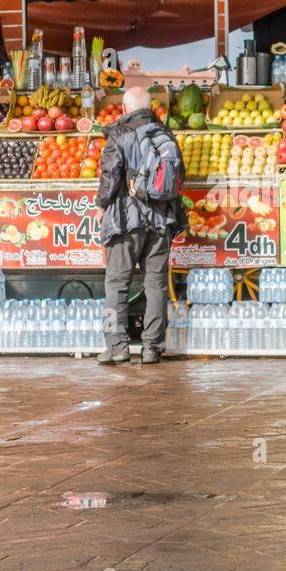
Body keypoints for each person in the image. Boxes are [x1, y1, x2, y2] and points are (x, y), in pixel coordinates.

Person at [95, 86, 187, 366]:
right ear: (151, 108)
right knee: (156, 285)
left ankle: (117, 347)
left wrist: (101, 205)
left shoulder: (119, 134)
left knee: (116, 284)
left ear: (124, 108)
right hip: (161, 222)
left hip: (125, 222)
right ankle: (152, 347)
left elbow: (110, 176)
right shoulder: (166, 134)